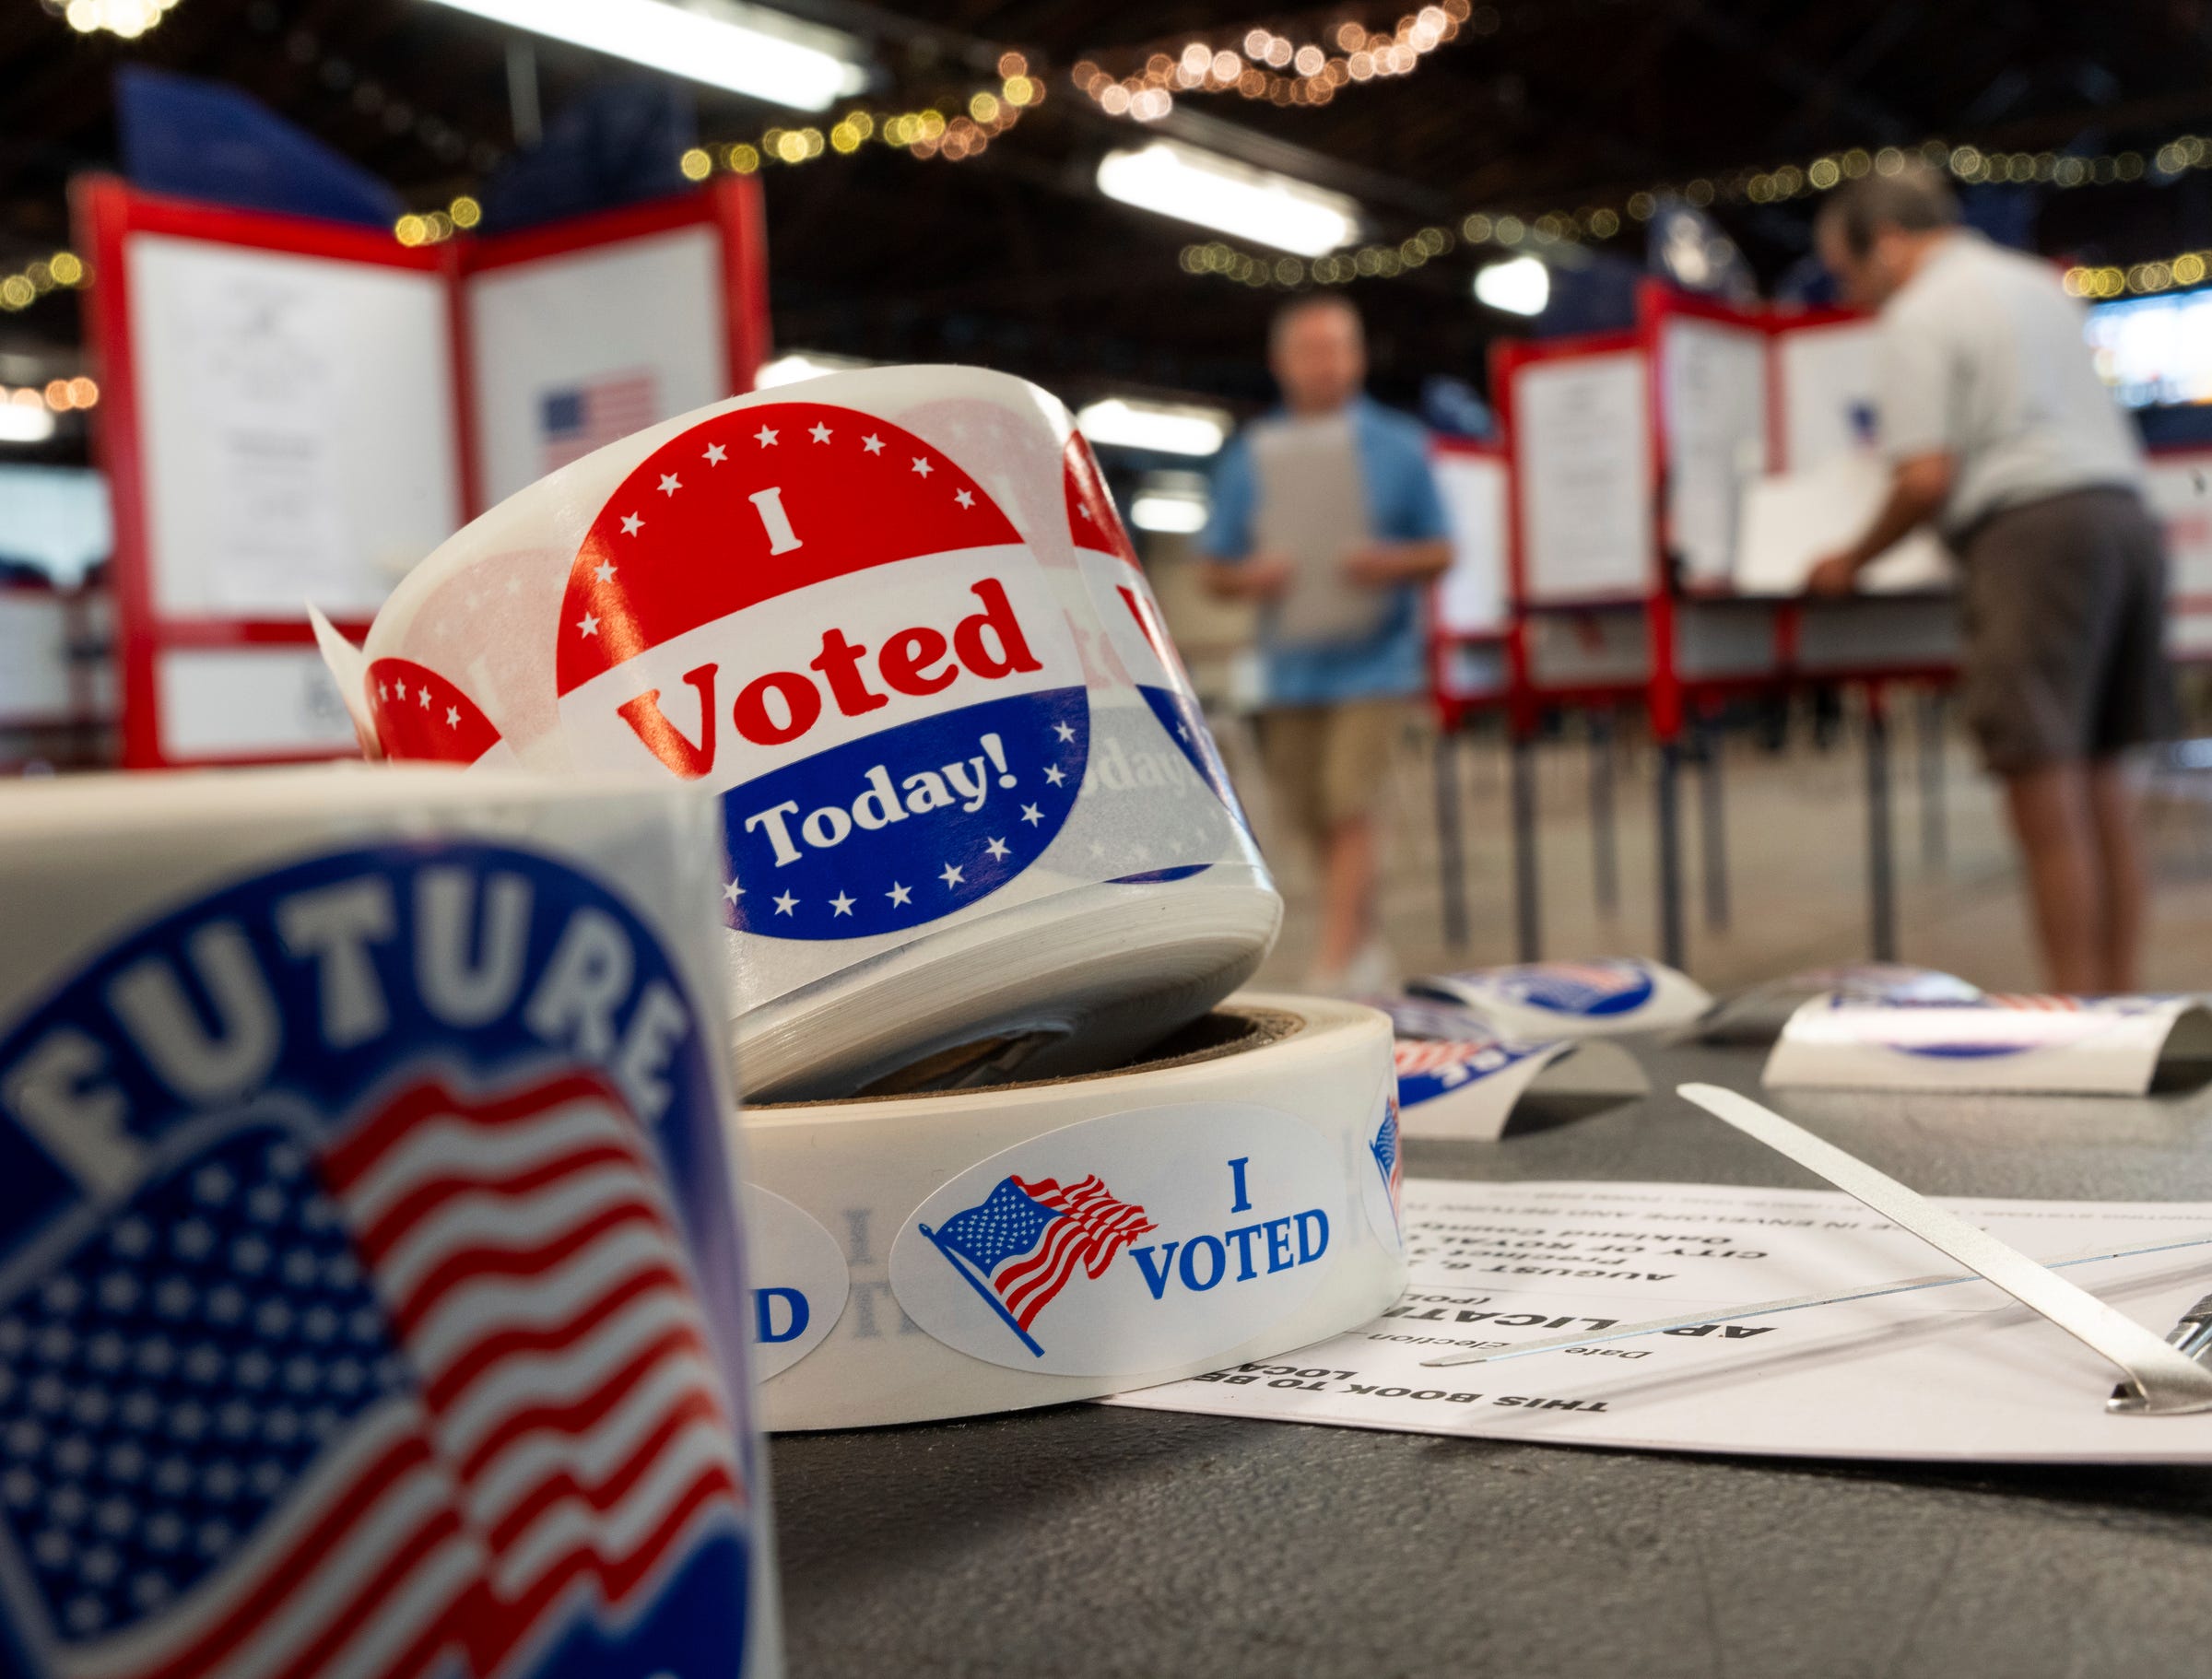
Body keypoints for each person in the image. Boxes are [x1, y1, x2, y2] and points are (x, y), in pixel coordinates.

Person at [1809, 166, 2175, 993]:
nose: (1855, 296)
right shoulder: (2035, 285)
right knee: (2106, 785)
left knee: (2045, 791)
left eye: (1849, 273)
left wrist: (1847, 560)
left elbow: (1926, 477)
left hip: (2033, 537)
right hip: (2125, 519)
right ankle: (2122, 1008)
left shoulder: (1920, 314)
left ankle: (2072, 1015)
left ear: (1890, 246)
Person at [1198, 295, 1453, 993]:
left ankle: (1337, 963)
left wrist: (1386, 564)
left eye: (1337, 347)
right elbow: (1214, 568)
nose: (1324, 365)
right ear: (1283, 364)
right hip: (1290, 670)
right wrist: (1253, 576)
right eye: (1309, 351)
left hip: (1377, 660)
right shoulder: (1252, 457)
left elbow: (1441, 550)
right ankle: (1362, 943)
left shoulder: (1402, 447)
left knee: (1350, 803)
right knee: (1311, 813)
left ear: (1359, 356)